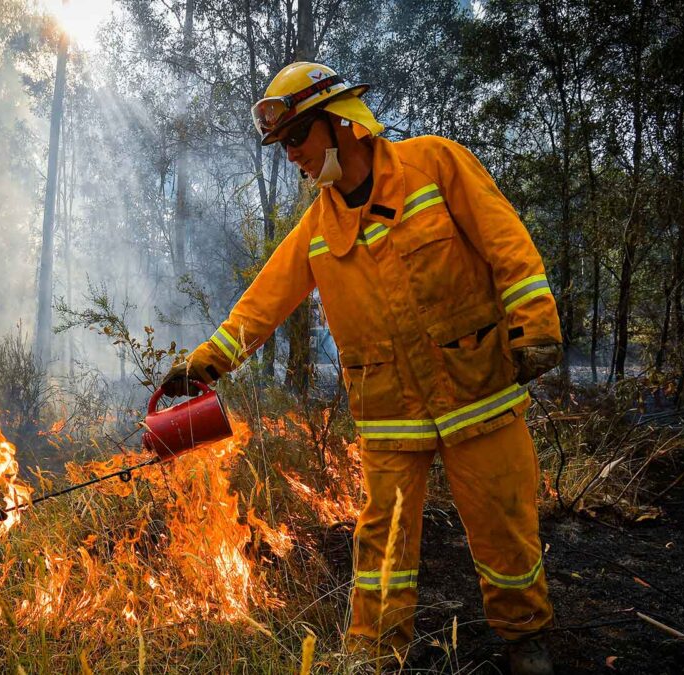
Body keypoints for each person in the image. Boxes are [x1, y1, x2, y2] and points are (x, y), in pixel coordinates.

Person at [159, 62, 564, 673]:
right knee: (382, 545)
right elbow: (263, 302)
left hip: (477, 387)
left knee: (504, 521)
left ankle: (526, 639)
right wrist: (203, 366)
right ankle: (373, 657)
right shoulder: (317, 228)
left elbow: (506, 241)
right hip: (390, 412)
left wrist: (534, 322)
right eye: (283, 144)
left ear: (340, 124)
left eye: (297, 137)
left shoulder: (436, 164)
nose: (291, 155)